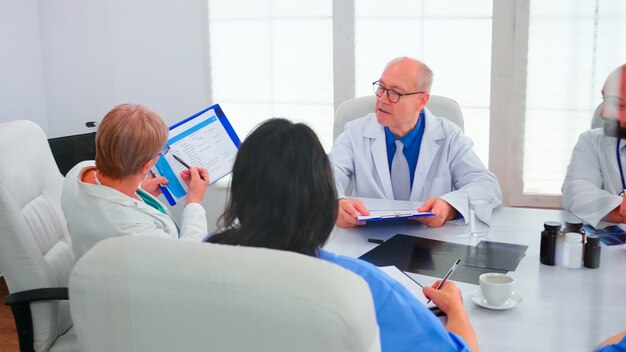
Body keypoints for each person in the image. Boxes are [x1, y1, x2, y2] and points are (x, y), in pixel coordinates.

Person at [208, 118, 479, 352]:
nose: (383, 98)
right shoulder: (360, 284)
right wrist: (456, 310)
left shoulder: (206, 256)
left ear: (241, 191)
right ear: (323, 196)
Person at [329, 57, 501, 228]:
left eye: (395, 92)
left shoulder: (449, 136)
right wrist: (336, 202)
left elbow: (486, 186)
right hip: (365, 238)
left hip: (429, 241)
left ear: (422, 101)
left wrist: (450, 207)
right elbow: (326, 176)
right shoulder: (354, 132)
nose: (382, 99)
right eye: (381, 87)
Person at [62, 104, 209, 259]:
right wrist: (194, 201)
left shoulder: (79, 171)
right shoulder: (134, 229)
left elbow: (106, 194)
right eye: (162, 151)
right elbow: (189, 259)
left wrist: (139, 189)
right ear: (146, 166)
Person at [562, 64, 626, 227]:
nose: (603, 113)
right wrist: (619, 210)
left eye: (618, 104)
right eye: (605, 100)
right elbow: (576, 192)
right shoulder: (592, 141)